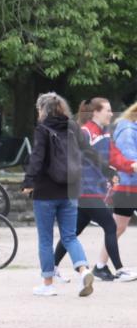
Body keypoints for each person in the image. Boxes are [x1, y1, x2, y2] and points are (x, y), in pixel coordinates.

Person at [52, 98, 136, 282]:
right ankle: (120, 269)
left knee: (72, 233)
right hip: (84, 192)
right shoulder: (85, 132)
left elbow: (116, 158)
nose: (111, 114)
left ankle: (51, 268)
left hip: (94, 192)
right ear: (95, 112)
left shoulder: (105, 134)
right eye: (107, 110)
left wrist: (131, 165)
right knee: (110, 226)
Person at [22, 92, 97, 297]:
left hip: (45, 192)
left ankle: (48, 283)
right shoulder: (73, 127)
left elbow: (37, 158)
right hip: (70, 189)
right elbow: (88, 151)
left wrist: (28, 182)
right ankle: (84, 270)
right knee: (70, 236)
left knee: (45, 238)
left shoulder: (43, 129)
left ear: (42, 109)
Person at [105, 100, 137, 274]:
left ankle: (100, 266)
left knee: (117, 228)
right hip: (128, 186)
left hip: (130, 186)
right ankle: (101, 266)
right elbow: (129, 160)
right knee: (117, 228)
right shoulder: (128, 130)